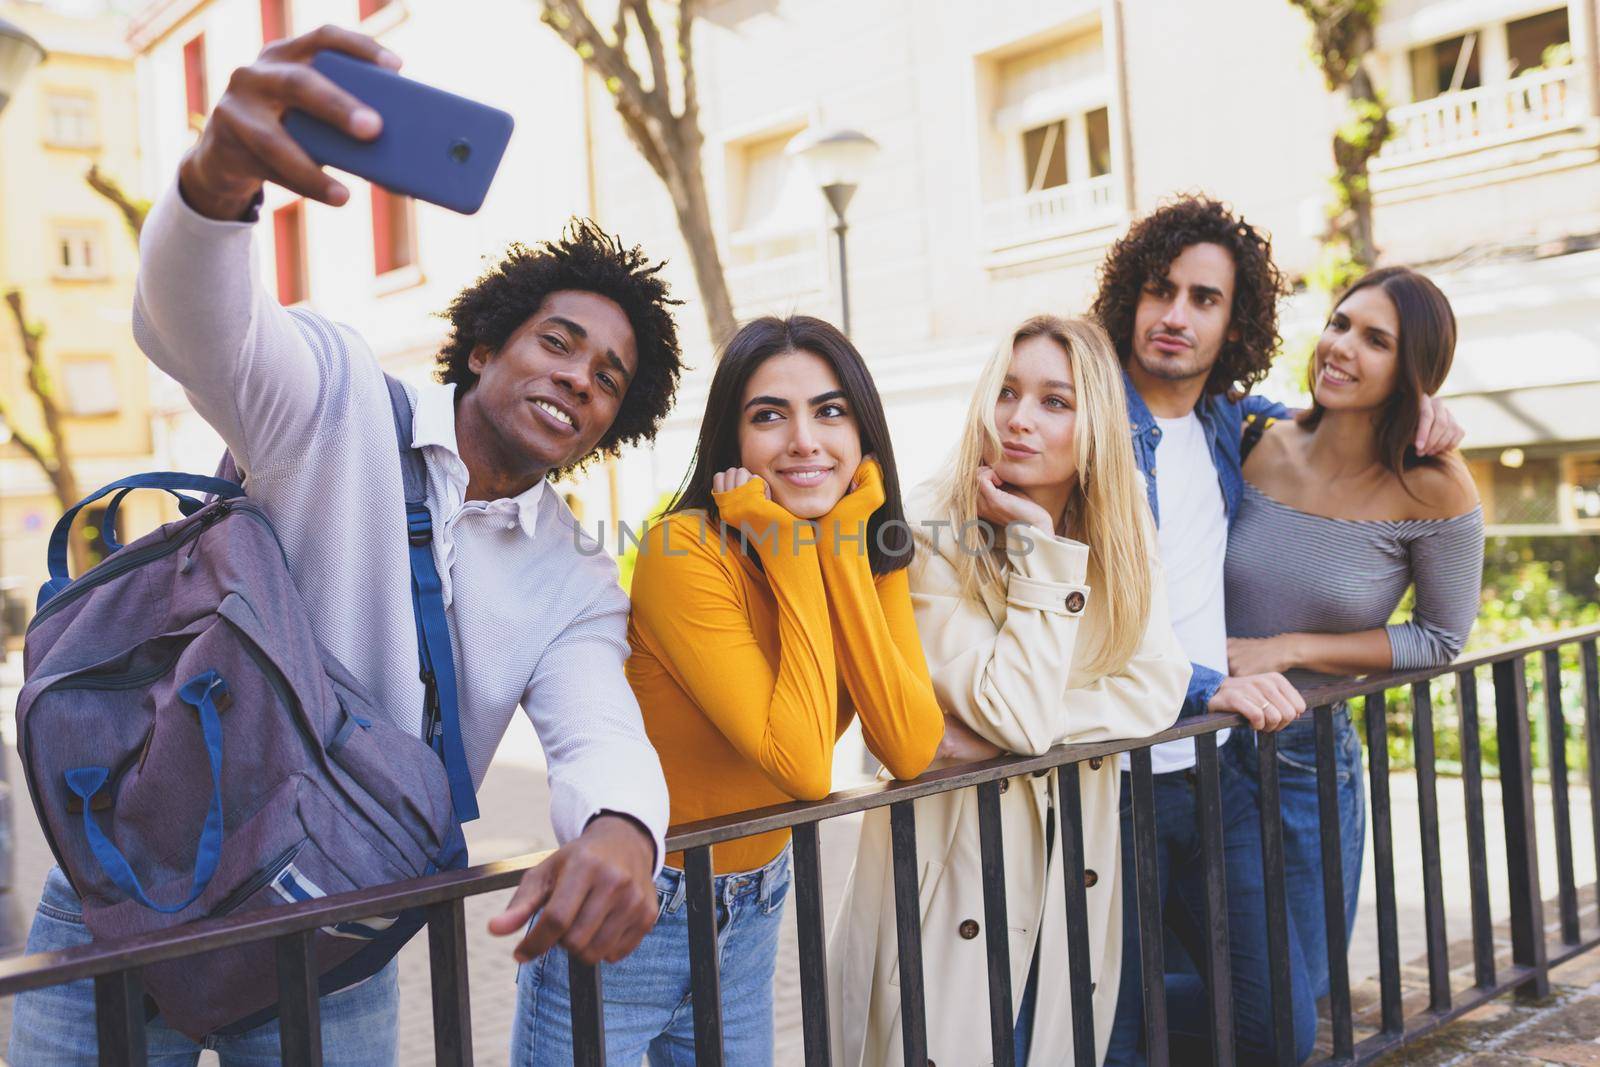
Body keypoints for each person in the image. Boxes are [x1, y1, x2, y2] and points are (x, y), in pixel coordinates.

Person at [9, 27, 678, 1065]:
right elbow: (200, 328)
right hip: (122, 878)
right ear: (488, 344)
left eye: (608, 377)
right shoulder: (334, 398)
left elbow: (598, 731)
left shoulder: (574, 577)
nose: (580, 378)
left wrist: (623, 828)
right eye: (558, 340)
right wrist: (214, 184)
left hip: (326, 939)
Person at [511, 315, 947, 1065]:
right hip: (637, 909)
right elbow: (804, 764)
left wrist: (842, 552)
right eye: (769, 415)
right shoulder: (683, 551)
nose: (804, 439)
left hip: (753, 910)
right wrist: (787, 546)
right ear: (732, 442)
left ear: (862, 431)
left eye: (831, 410)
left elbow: (908, 746)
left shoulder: (867, 548)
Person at [1093, 198, 1465, 1066]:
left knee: (1276, 1020)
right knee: (1128, 1010)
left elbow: (1441, 635)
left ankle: (1059, 1006)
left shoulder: (1233, 424)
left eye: (1205, 299)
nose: (1177, 315)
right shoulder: (1094, 419)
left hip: (1234, 764)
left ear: (1237, 322)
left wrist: (1428, 411)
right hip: (1117, 768)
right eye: (1160, 291)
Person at [829, 315, 1190, 1066]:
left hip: (1072, 867)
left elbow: (1158, 685)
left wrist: (997, 738)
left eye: (1055, 401)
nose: (1019, 420)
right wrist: (1040, 551)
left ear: (1094, 420)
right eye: (1007, 392)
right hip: (949, 872)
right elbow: (1015, 713)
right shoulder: (927, 528)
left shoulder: (1120, 530)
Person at [1225, 266, 1484, 1001]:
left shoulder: (1433, 482)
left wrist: (1292, 648)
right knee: (1207, 982)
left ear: (1414, 372)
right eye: (1340, 324)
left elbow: (1438, 637)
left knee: (1292, 1003)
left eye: (1376, 340)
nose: (1342, 347)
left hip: (1305, 760)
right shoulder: (1258, 440)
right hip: (1194, 740)